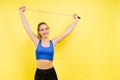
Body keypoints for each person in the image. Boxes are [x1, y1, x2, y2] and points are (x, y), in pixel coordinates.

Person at [19, 6, 79, 80]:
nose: (45, 31)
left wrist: (76, 20)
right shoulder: (37, 42)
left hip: (51, 73)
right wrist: (21, 13)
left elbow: (66, 33)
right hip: (39, 73)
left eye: (46, 29)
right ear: (39, 32)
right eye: (42, 30)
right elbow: (27, 28)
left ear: (48, 30)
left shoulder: (53, 42)